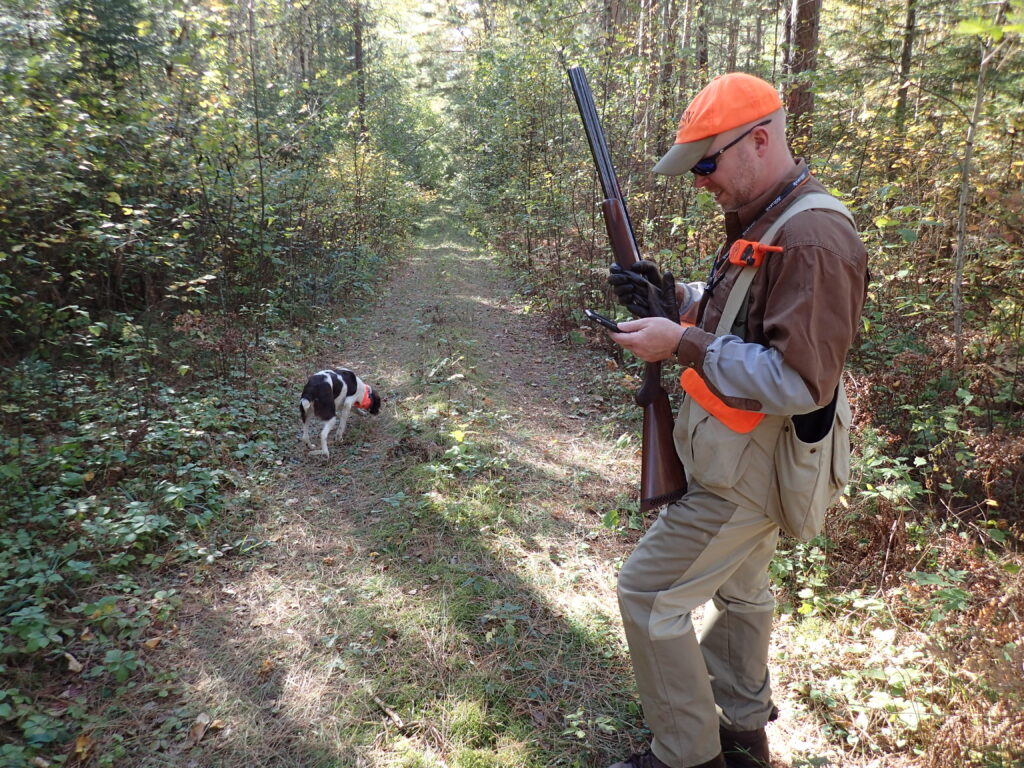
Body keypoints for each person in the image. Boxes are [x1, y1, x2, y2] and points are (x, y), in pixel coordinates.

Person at [602, 73, 868, 768]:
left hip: (745, 476)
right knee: (743, 594)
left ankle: (688, 756)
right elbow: (740, 316)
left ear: (760, 140)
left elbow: (799, 381)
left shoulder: (811, 236)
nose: (701, 181)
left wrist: (680, 341)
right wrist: (676, 298)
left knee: (648, 596)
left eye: (708, 163)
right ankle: (743, 731)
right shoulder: (769, 217)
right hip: (736, 459)